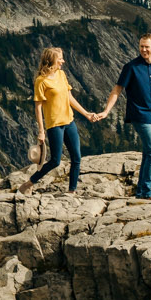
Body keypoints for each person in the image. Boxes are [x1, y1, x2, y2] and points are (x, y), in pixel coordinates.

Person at [101, 32, 151, 199]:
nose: (143, 50)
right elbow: (117, 90)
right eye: (141, 46)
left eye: (147, 47)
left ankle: (141, 192)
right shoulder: (131, 67)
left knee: (149, 154)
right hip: (140, 116)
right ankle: (146, 192)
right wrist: (106, 111)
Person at [21, 46, 104, 193]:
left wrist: (86, 113)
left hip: (69, 121)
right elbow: (38, 108)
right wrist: (41, 131)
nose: (63, 61)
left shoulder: (61, 74)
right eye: (60, 58)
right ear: (51, 60)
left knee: (76, 158)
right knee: (55, 161)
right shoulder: (41, 81)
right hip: (54, 124)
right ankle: (29, 183)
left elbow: (69, 97)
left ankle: (72, 191)